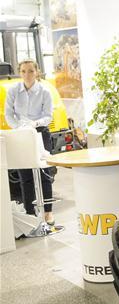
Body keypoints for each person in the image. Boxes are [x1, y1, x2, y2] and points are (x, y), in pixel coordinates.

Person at [4, 59, 57, 227]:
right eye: (23, 71)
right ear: (20, 73)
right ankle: (29, 213)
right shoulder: (13, 91)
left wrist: (35, 124)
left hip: (40, 133)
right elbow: (8, 114)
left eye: (31, 71)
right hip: (21, 134)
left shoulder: (44, 91)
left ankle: (48, 212)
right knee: (25, 176)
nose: (27, 74)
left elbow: (48, 116)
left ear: (37, 72)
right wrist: (20, 127)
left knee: (44, 173)